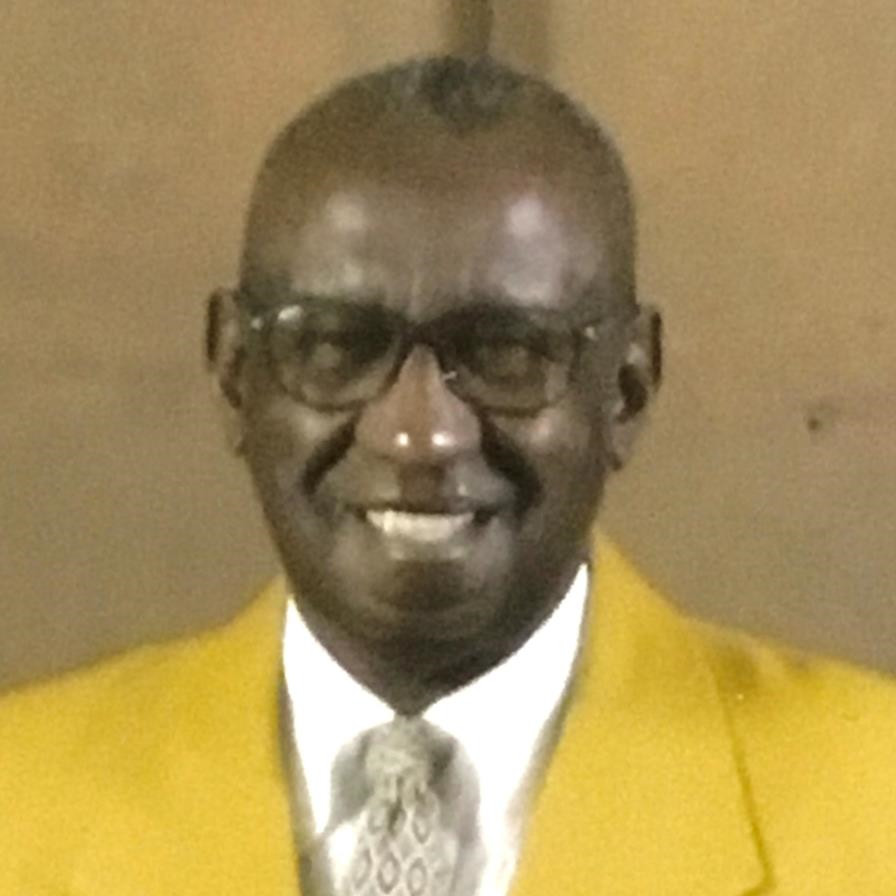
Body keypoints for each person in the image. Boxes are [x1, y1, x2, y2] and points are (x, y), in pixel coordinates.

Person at [2, 54, 895, 896]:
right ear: (236, 375)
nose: (417, 435)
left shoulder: (873, 807)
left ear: (625, 390)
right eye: (335, 346)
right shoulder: (21, 801)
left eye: (508, 352)